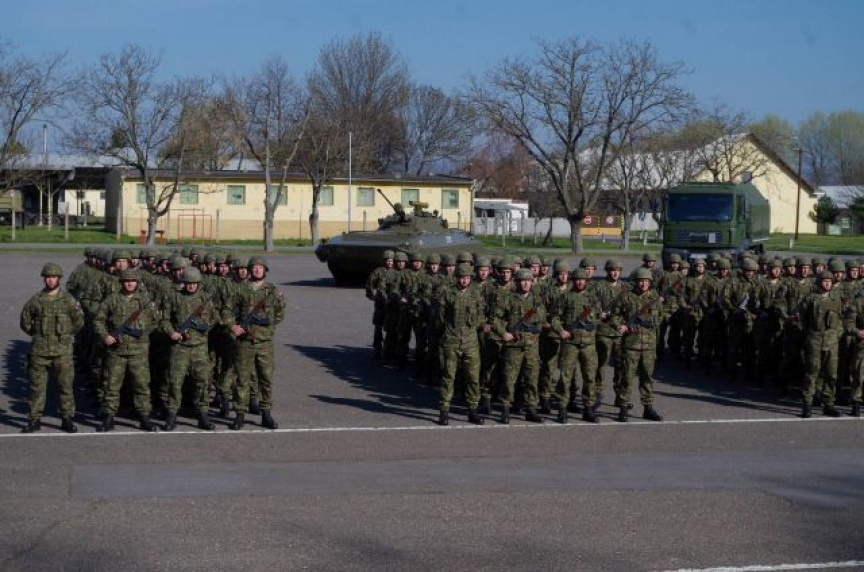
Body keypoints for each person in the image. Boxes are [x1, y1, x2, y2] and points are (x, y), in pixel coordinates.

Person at [19, 263, 85, 433]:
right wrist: (38, 335)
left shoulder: (68, 300)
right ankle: (34, 419)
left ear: (59, 279)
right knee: (36, 387)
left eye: (54, 277)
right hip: (39, 352)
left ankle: (67, 419)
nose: (50, 280)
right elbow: (25, 321)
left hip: (62, 352)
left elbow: (78, 321)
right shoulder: (36, 300)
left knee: (65, 387)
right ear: (44, 279)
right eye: (48, 277)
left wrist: (65, 336)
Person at [92, 269, 159, 432]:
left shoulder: (145, 301)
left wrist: (142, 332)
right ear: (122, 282)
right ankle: (109, 417)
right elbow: (98, 320)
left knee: (141, 385)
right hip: (116, 351)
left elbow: (155, 321)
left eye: (133, 281)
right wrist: (105, 336)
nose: (130, 283)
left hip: (139, 351)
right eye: (127, 281)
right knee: (112, 385)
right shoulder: (112, 299)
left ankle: (144, 417)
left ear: (137, 282)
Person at [229, 257, 286, 430]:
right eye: (254, 267)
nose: (257, 270)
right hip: (244, 342)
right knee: (242, 379)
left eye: (260, 267)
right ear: (249, 270)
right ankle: (240, 415)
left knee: (265, 379)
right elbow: (226, 310)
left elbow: (280, 312)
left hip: (264, 343)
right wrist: (233, 326)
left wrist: (267, 327)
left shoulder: (272, 291)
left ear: (265, 270)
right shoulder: (240, 289)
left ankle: (266, 414)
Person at [161, 267, 219, 431]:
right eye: (188, 283)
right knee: (175, 382)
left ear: (198, 283)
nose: (191, 286)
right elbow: (164, 319)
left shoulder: (205, 300)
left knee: (203, 381)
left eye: (194, 283)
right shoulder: (174, 297)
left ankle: (203, 414)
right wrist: (171, 332)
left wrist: (205, 328)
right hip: (179, 348)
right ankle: (172, 415)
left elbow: (215, 318)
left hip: (199, 348)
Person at [493, 268, 546, 423]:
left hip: (531, 346)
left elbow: (542, 320)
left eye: (528, 281)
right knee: (509, 379)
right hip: (513, 346)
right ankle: (505, 408)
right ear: (516, 282)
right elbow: (495, 318)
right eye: (522, 281)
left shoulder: (537, 301)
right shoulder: (508, 299)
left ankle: (531, 408)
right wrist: (503, 333)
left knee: (531, 378)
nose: (525, 284)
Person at [436, 264, 486, 425]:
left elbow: (481, 315)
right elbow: (440, 317)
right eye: (462, 278)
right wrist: (447, 333)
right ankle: (444, 411)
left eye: (467, 278)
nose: (464, 280)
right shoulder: (448, 293)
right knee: (448, 378)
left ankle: (473, 411)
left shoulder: (476, 293)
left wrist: (480, 324)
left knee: (473, 378)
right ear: (456, 278)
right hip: (451, 342)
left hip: (470, 343)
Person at [613, 267, 665, 423]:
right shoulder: (626, 297)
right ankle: (623, 407)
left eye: (646, 281)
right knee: (627, 377)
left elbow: (660, 317)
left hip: (648, 345)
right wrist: (621, 326)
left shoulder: (655, 298)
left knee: (647, 377)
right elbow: (614, 315)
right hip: (631, 344)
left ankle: (648, 408)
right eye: (641, 281)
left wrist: (649, 321)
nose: (643, 284)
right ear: (636, 282)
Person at [552, 268, 601, 423]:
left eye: (583, 279)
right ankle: (562, 408)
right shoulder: (565, 297)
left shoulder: (593, 299)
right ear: (573, 281)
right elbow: (555, 317)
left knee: (590, 377)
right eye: (578, 279)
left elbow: (598, 318)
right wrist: (561, 330)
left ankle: (588, 409)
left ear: (587, 281)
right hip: (570, 343)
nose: (580, 282)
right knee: (565, 377)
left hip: (588, 343)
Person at [798, 271, 843, 418]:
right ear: (819, 282)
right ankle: (807, 404)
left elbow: (841, 319)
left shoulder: (836, 299)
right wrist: (810, 334)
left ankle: (829, 404)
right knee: (812, 373)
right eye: (824, 281)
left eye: (829, 281)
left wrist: (837, 334)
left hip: (832, 341)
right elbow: (802, 319)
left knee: (831, 374)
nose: (827, 283)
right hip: (815, 339)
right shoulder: (810, 299)